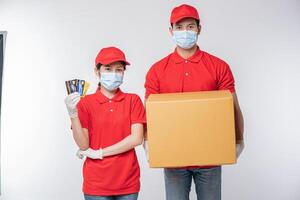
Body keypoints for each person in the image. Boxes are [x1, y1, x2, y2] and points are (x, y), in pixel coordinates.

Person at [144, 4, 244, 200]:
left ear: (199, 29)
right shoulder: (157, 70)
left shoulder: (218, 66)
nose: (185, 32)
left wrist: (239, 140)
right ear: (171, 31)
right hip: (173, 159)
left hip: (210, 159)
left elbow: (232, 106)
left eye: (190, 26)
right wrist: (148, 143)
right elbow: (149, 113)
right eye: (179, 27)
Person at [65, 47, 146, 200]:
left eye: (119, 69)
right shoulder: (85, 103)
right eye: (108, 69)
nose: (114, 74)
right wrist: (73, 114)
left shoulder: (132, 100)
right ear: (97, 71)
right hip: (96, 183)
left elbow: (136, 138)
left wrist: (100, 152)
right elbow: (83, 145)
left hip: (127, 182)